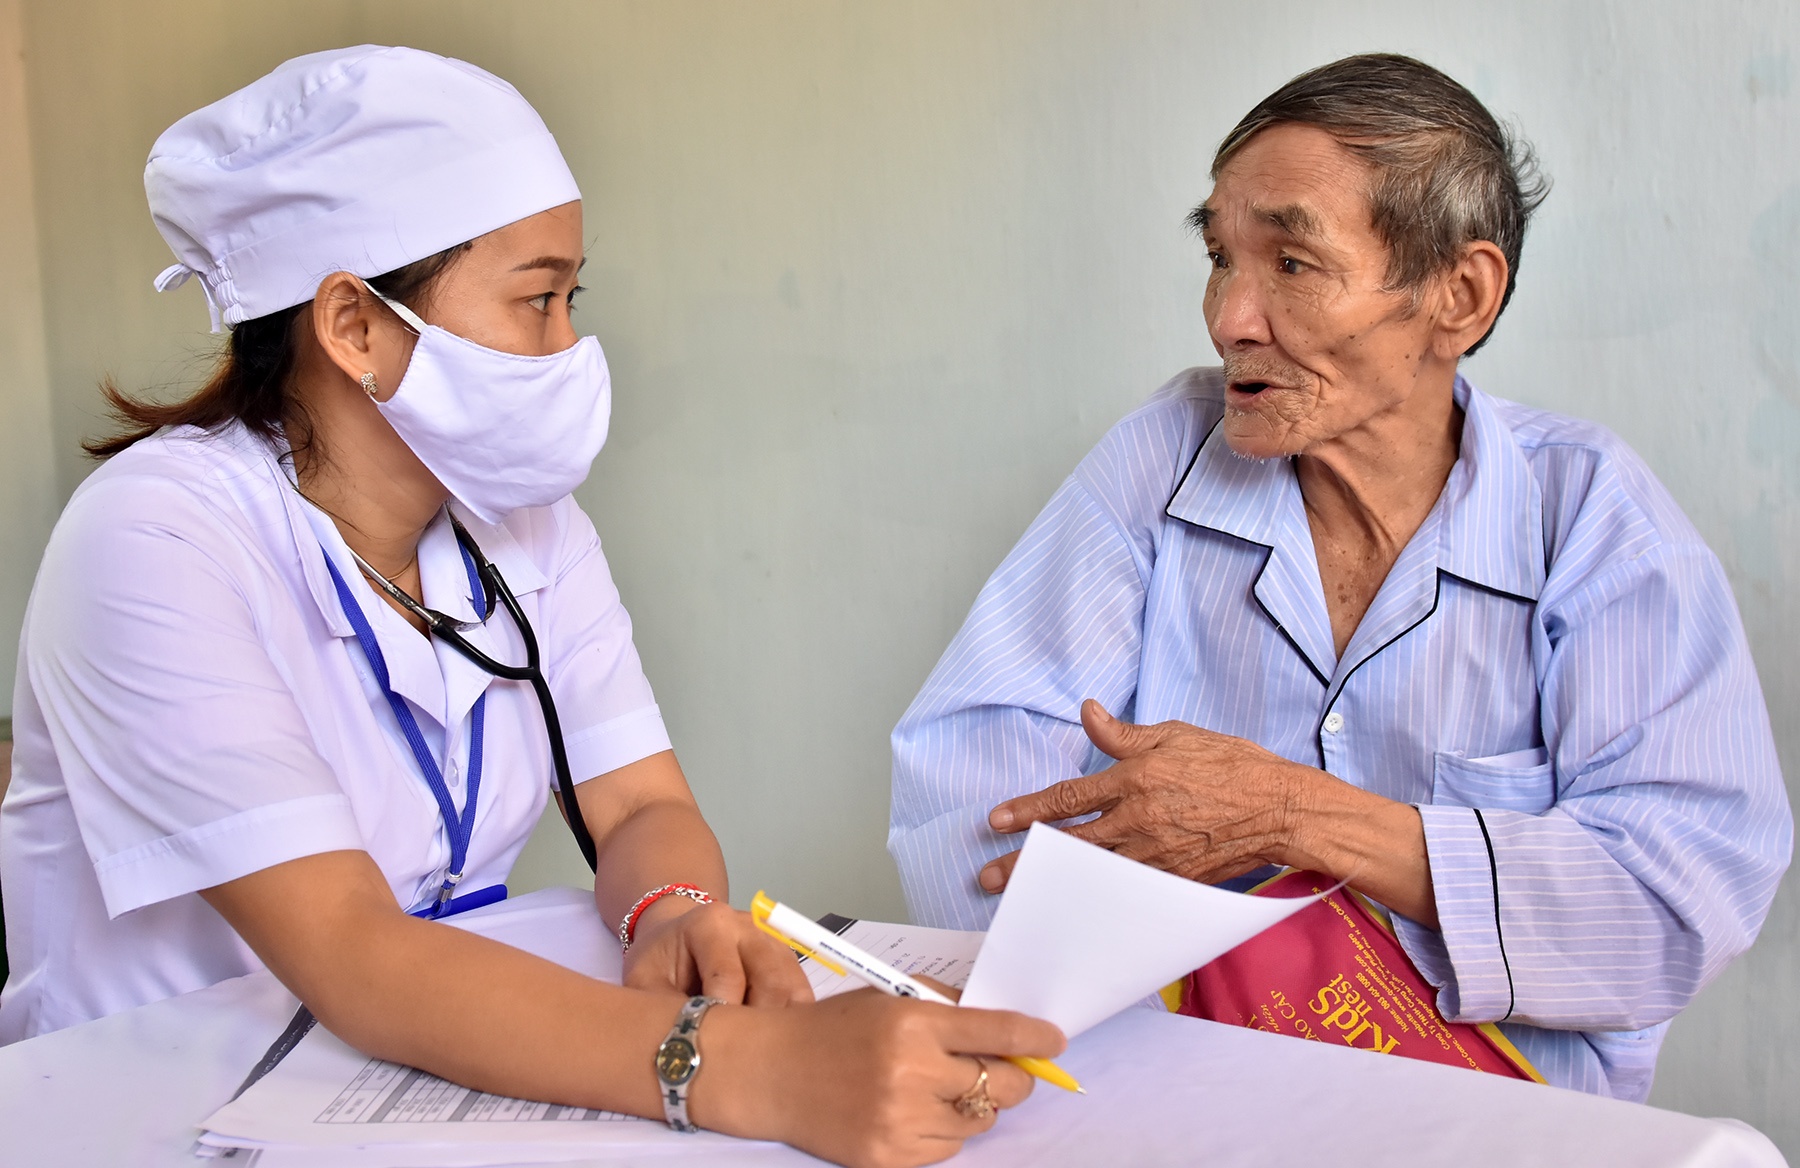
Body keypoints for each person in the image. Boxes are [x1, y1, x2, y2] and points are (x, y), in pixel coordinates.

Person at [0, 45, 1060, 1167]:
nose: (571, 349)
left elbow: (641, 802)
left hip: (411, 1086)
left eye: (572, 296)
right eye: (536, 299)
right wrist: (760, 1070)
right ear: (354, 326)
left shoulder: (522, 525)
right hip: (154, 1114)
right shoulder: (154, 540)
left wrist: (676, 908)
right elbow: (356, 953)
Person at [889, 53, 1792, 1101]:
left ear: (1460, 294)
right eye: (1221, 257)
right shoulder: (1163, 454)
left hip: (1500, 1123)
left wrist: (1294, 818)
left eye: (1292, 264)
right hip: (1174, 1099)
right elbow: (973, 785)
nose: (1231, 315)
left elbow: (1675, 902)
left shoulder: (1591, 520)